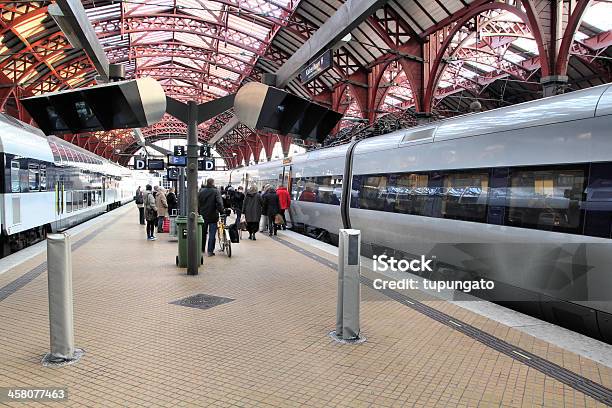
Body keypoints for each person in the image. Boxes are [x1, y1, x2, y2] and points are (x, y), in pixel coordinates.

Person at [198, 178, 224, 256]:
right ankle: (210, 251)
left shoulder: (201, 191)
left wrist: (199, 212)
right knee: (212, 234)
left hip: (203, 216)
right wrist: (221, 211)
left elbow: (198, 203)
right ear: (213, 183)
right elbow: (219, 203)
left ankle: (202, 249)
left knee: (202, 233)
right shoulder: (216, 191)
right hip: (213, 216)